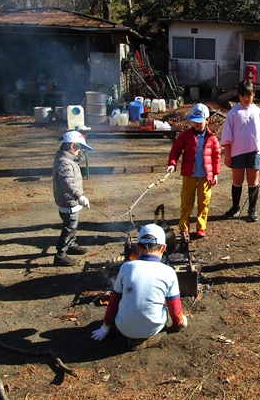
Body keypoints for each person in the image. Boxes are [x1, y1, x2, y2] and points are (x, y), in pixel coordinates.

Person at [90, 224, 188, 349]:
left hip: (123, 328)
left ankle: (130, 335)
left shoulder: (126, 267)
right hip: (152, 328)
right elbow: (174, 306)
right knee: (166, 311)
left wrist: (105, 327)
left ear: (138, 247)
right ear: (163, 248)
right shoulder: (169, 272)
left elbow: (114, 301)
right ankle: (149, 338)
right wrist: (180, 322)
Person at [167, 103, 221, 240]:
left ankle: (201, 226)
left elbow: (216, 156)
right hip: (189, 174)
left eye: (199, 122)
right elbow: (176, 149)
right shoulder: (185, 136)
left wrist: (215, 173)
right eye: (193, 122)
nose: (195, 125)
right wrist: (172, 164)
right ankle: (183, 227)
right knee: (186, 201)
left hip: (206, 176)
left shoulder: (212, 138)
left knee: (204, 201)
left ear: (207, 120)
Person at [221, 80, 260, 222]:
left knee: (252, 180)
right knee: (237, 180)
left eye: (249, 95)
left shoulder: (259, 113)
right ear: (239, 96)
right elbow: (227, 137)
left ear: (254, 94)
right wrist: (227, 155)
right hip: (237, 152)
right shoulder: (233, 113)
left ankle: (252, 209)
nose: (246, 98)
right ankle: (235, 207)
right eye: (243, 95)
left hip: (255, 152)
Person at [52, 130, 92, 266]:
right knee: (69, 228)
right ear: (72, 145)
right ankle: (60, 255)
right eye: (79, 147)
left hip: (72, 202)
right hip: (69, 202)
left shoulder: (68, 160)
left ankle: (71, 245)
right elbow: (67, 183)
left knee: (72, 227)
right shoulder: (64, 163)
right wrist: (79, 196)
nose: (80, 151)